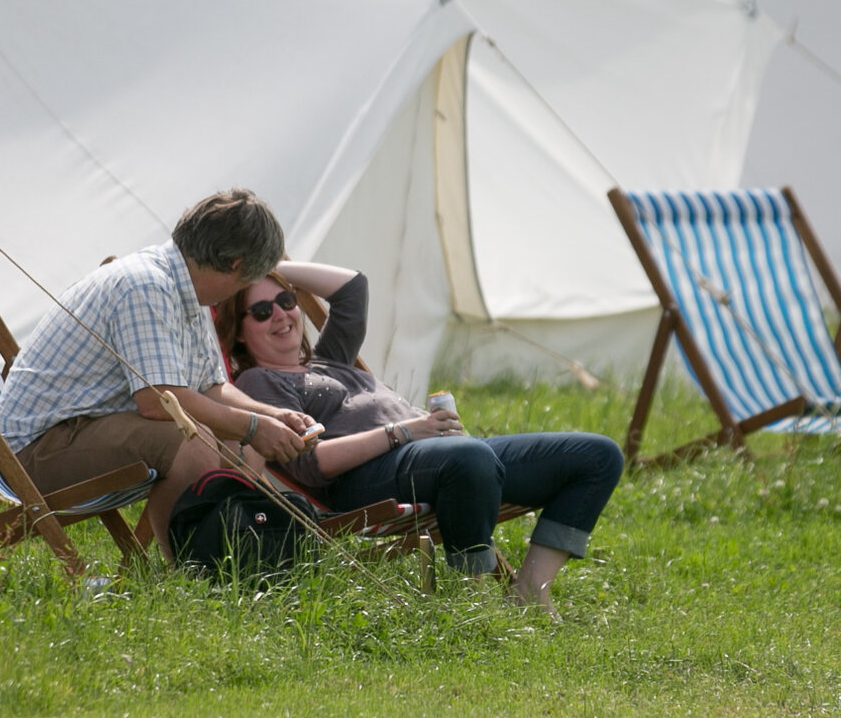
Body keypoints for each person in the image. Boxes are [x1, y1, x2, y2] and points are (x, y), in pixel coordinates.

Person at [223, 261, 624, 612]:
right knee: (470, 458)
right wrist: (405, 431)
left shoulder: (331, 359)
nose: (280, 315)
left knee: (597, 456)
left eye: (287, 301)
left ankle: (530, 591)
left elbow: (352, 287)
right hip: (365, 479)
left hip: (442, 454)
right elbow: (313, 463)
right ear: (239, 333)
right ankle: (473, 597)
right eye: (260, 311)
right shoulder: (258, 382)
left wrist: (268, 264)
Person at [0, 189, 319, 546]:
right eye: (243, 284)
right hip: (31, 454)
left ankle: (229, 556)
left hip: (81, 431)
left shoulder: (184, 286)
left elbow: (210, 386)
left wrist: (272, 416)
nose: (233, 295)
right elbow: (157, 399)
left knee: (242, 443)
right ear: (236, 264)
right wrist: (254, 426)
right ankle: (188, 575)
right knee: (190, 441)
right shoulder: (145, 286)